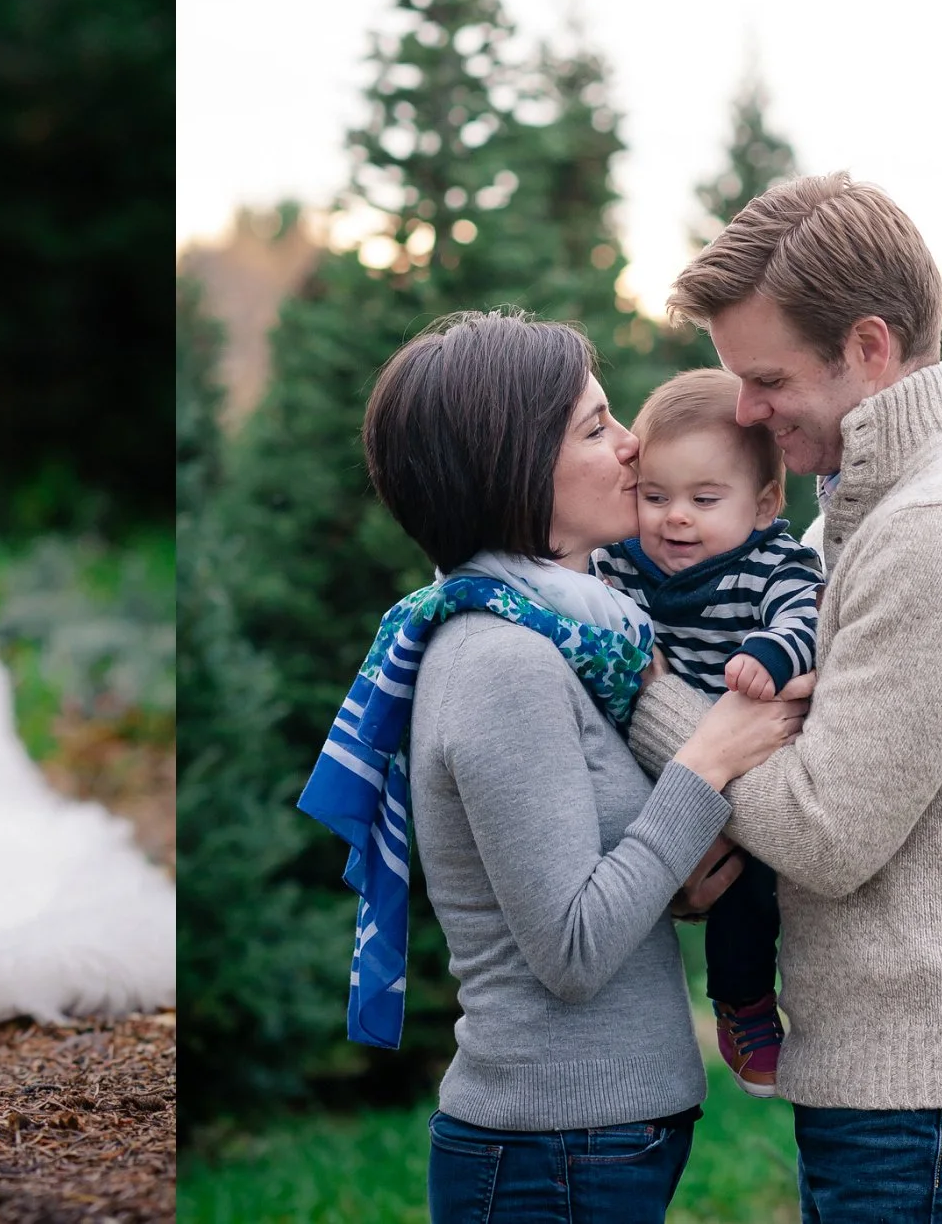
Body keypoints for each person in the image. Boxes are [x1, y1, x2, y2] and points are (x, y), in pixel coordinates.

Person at [623, 174, 942, 1224]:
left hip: (938, 1102)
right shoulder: (862, 507)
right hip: (901, 1090)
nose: (743, 411)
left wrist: (645, 692)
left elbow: (825, 827)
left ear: (869, 350)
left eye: (766, 378)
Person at [300, 310, 809, 1224]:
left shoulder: (575, 636)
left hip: (587, 1144)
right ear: (514, 469)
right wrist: (708, 758)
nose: (630, 447)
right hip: (551, 1153)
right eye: (596, 427)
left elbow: (581, 882)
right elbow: (571, 950)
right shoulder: (503, 660)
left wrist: (676, 888)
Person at [594, 366, 823, 1098]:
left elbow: (810, 619)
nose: (675, 518)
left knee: (749, 889)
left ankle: (743, 998)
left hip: (746, 772)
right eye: (655, 496)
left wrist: (770, 654)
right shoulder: (619, 563)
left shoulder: (770, 563)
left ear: (763, 504)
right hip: (649, 772)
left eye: (703, 498)